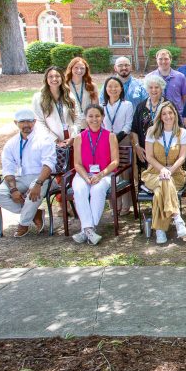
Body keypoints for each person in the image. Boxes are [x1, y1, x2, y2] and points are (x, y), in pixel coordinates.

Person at [0, 109, 55, 237]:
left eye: (29, 121)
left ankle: (24, 223)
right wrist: (13, 189)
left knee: (33, 191)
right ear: (16, 123)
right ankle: (34, 213)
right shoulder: (11, 143)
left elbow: (48, 164)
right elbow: (8, 168)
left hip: (41, 177)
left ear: (34, 122)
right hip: (19, 178)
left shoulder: (44, 139)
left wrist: (38, 183)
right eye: (22, 122)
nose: (26, 124)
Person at [140, 101, 186, 244]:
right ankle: (177, 217)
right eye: (164, 114)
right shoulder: (152, 131)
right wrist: (162, 170)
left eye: (170, 113)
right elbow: (149, 156)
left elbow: (182, 157)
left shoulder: (182, 132)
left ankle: (160, 230)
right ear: (160, 117)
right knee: (164, 180)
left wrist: (170, 170)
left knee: (159, 192)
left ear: (175, 114)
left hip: (176, 174)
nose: (168, 116)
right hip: (154, 173)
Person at [71, 105, 119, 245]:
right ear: (86, 118)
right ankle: (89, 229)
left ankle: (86, 230)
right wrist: (86, 177)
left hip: (105, 174)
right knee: (80, 189)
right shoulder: (79, 138)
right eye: (90, 116)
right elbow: (77, 164)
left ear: (102, 117)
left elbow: (115, 161)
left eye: (97, 116)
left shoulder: (110, 136)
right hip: (84, 174)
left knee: (97, 189)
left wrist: (100, 175)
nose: (94, 119)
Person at [101, 76, 135, 213]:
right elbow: (101, 126)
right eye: (110, 86)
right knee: (110, 172)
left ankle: (126, 204)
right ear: (105, 89)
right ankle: (115, 205)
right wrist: (109, 138)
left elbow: (128, 124)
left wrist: (117, 137)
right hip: (106, 142)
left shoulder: (127, 105)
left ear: (121, 89)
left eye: (116, 86)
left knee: (125, 172)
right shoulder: (102, 107)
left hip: (123, 139)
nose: (113, 89)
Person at [32, 66, 80, 147]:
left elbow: (77, 117)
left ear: (62, 78)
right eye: (50, 76)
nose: (54, 79)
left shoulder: (69, 95)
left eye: (57, 76)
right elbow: (39, 122)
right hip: (50, 140)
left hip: (70, 138)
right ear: (46, 79)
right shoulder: (38, 97)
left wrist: (73, 137)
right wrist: (55, 140)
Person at [131, 75, 167, 168]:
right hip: (145, 151)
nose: (153, 90)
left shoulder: (168, 105)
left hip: (165, 150)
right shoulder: (140, 106)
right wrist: (137, 146)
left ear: (161, 88)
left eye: (157, 87)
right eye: (151, 87)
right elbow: (134, 129)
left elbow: (177, 127)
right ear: (147, 89)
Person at [65, 57, 99, 128]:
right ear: (71, 68)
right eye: (76, 68)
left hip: (87, 125)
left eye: (82, 68)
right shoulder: (65, 86)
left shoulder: (92, 86)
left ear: (86, 70)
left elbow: (95, 107)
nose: (79, 70)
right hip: (70, 126)